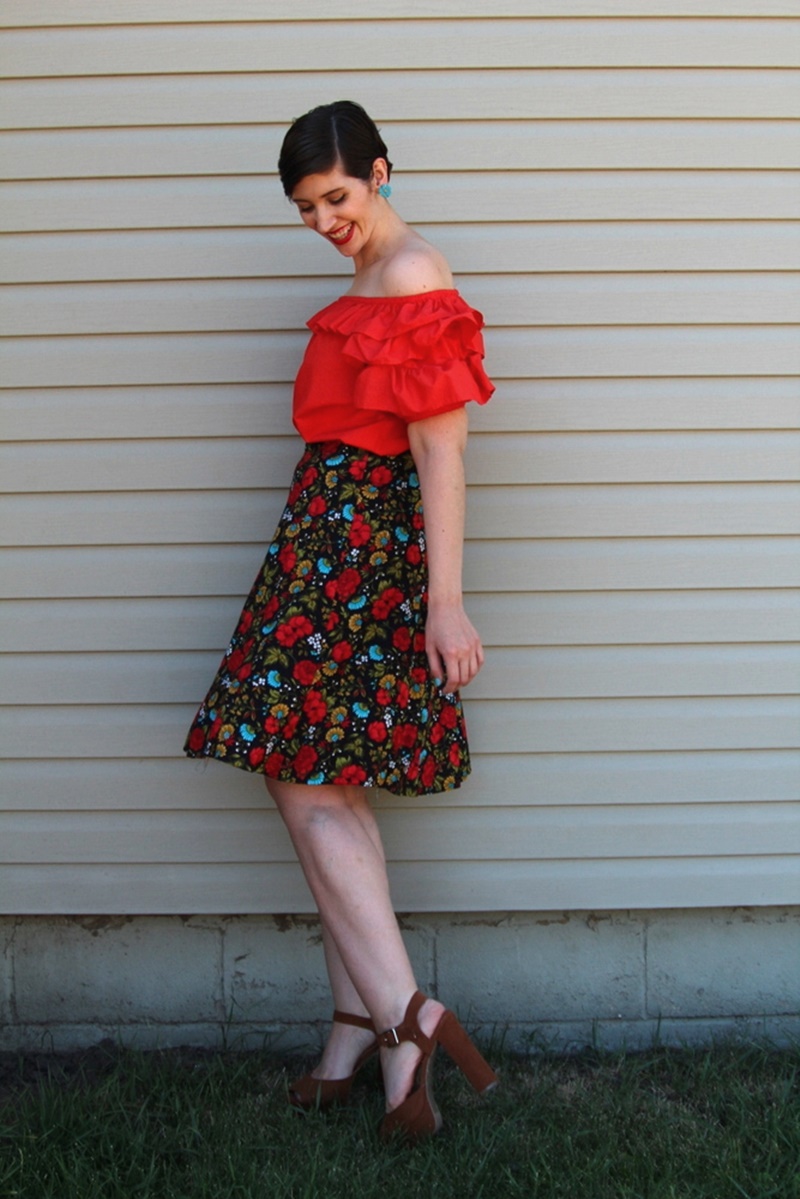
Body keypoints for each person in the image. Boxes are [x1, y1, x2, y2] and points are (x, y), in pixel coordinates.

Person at [184, 100, 497, 1142]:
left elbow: (440, 448)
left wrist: (443, 602)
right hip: (322, 542)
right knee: (329, 777)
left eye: (336, 197)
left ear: (380, 171)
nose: (324, 220)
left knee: (299, 773)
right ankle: (355, 1025)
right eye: (305, 208)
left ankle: (407, 1018)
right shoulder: (368, 274)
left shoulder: (411, 272)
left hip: (359, 557)